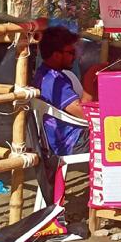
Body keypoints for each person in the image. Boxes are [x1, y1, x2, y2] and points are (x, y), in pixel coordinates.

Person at [35, 27, 89, 156]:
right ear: (56, 55)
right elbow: (85, 114)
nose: (75, 56)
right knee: (119, 133)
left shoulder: (44, 74)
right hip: (72, 142)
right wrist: (89, 81)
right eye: (71, 52)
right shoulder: (54, 82)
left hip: (62, 138)